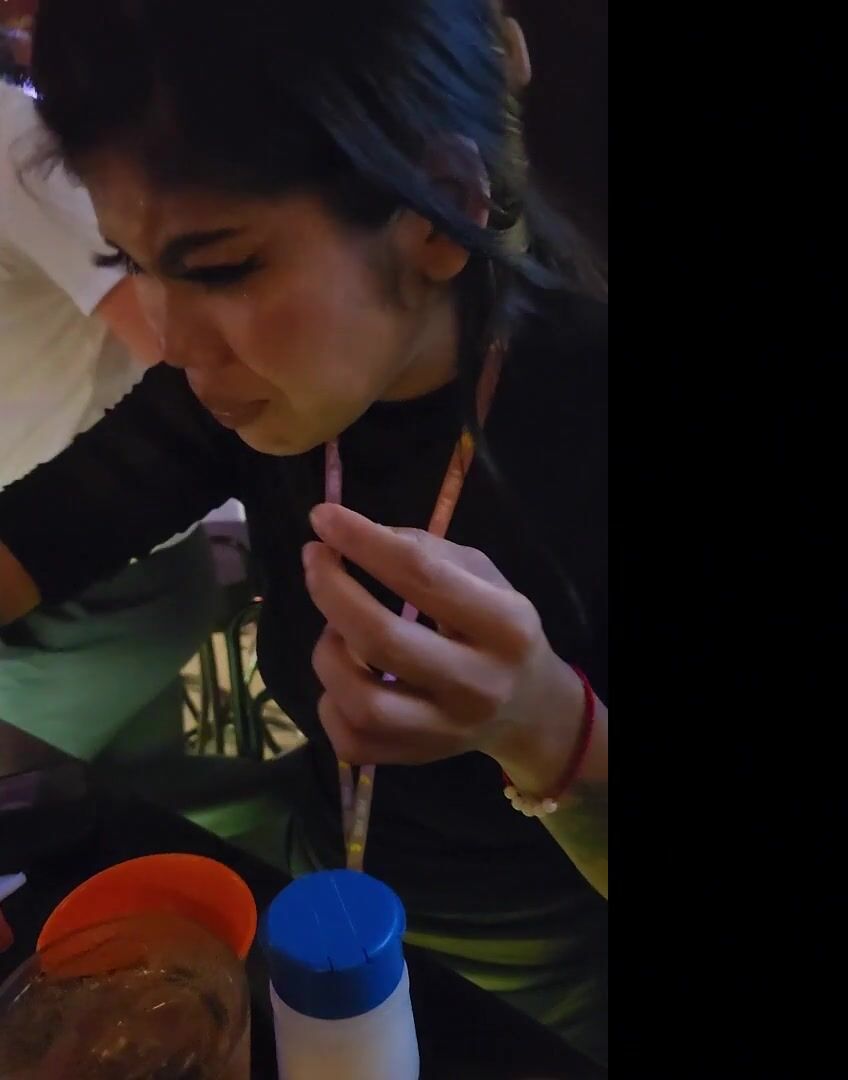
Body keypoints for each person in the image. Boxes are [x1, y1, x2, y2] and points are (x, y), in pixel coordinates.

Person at [0, 0, 608, 1062]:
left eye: (222, 267)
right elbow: (50, 527)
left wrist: (546, 727)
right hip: (323, 889)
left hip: (539, 980)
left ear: (438, 212)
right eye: (133, 264)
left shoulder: (580, 414)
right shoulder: (248, 397)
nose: (177, 342)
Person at [0, 42, 216, 763]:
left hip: (97, 575)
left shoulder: (12, 144)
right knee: (140, 804)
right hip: (65, 555)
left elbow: (193, 355)